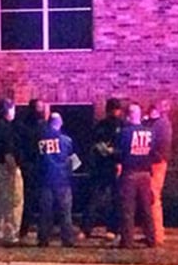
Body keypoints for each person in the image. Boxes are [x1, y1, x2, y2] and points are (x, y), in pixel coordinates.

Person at [80, 98, 122, 240]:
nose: (114, 112)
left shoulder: (121, 126)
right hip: (102, 167)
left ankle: (112, 229)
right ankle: (88, 228)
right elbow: (95, 143)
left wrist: (114, 154)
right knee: (96, 199)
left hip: (113, 166)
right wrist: (107, 151)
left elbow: (122, 147)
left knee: (112, 200)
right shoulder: (103, 126)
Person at [116, 101, 157, 248]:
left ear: (128, 116)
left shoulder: (125, 133)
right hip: (145, 174)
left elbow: (119, 153)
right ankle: (152, 238)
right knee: (146, 208)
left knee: (128, 209)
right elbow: (153, 152)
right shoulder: (150, 132)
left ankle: (127, 241)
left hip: (130, 174)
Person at [0, 98, 24, 246]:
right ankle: (12, 233)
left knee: (1, 200)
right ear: (7, 110)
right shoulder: (6, 127)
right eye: (13, 109)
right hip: (7, 167)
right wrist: (14, 169)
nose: (14, 112)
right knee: (15, 201)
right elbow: (8, 150)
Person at [36, 112, 77, 247]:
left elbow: (38, 159)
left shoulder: (41, 140)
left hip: (45, 180)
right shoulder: (66, 140)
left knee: (45, 212)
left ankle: (43, 240)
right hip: (63, 181)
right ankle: (67, 240)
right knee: (65, 212)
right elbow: (74, 162)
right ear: (60, 123)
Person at [17, 98, 46, 239]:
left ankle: (26, 229)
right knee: (33, 199)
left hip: (33, 166)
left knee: (31, 199)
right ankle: (30, 228)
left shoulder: (23, 125)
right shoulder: (39, 127)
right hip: (35, 166)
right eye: (39, 108)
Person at [149, 99, 172, 245]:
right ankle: (155, 233)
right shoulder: (164, 124)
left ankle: (157, 235)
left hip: (156, 164)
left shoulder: (160, 124)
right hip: (160, 162)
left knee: (153, 198)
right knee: (153, 198)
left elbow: (156, 146)